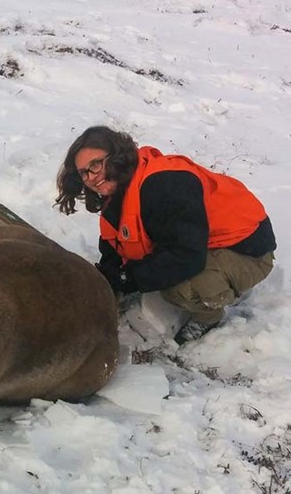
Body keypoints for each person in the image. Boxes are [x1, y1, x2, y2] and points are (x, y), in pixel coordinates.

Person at [56, 126, 276, 343]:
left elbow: (187, 256)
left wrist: (129, 278)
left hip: (247, 251)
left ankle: (208, 315)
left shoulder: (166, 184)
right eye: (84, 173)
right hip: (203, 241)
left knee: (176, 287)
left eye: (96, 164)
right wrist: (108, 279)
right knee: (159, 269)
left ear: (117, 155)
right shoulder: (117, 193)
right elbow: (115, 245)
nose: (91, 177)